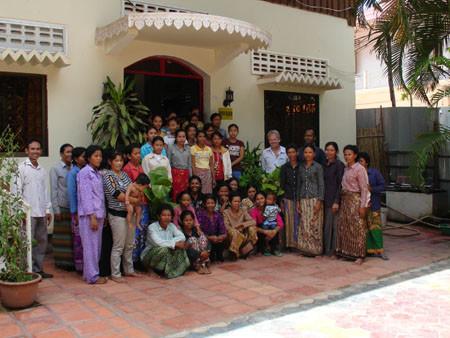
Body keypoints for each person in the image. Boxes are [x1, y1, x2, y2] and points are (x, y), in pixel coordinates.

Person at [13, 140, 53, 279]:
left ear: (40, 151)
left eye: (38, 149)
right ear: (26, 151)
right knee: (26, 243)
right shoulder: (21, 168)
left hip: (41, 212)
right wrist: (20, 212)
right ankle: (26, 271)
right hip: (27, 214)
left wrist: (48, 210)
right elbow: (16, 192)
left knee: (42, 242)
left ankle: (38, 270)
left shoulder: (42, 170)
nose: (35, 151)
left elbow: (45, 191)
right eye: (32, 149)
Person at [103, 151, 139, 283]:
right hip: (116, 214)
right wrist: (133, 200)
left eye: (120, 161)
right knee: (118, 245)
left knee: (129, 244)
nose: (119, 163)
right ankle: (116, 273)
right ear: (110, 162)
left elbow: (135, 190)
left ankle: (129, 270)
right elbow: (117, 195)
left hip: (130, 214)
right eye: (116, 160)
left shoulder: (124, 175)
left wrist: (131, 199)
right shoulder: (108, 176)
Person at [77, 145, 107, 284]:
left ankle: (89, 274)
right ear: (88, 158)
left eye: (100, 156)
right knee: (90, 247)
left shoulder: (97, 173)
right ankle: (92, 277)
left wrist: (103, 214)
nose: (99, 158)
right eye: (95, 156)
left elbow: (100, 196)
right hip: (90, 216)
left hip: (99, 214)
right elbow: (86, 196)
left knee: (96, 247)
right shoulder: (84, 173)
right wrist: (92, 216)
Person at [336, 145, 370, 265]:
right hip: (345, 201)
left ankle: (360, 254)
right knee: (345, 227)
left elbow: (364, 189)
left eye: (349, 154)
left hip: (355, 200)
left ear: (355, 155)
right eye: (345, 154)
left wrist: (363, 206)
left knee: (358, 227)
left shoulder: (360, 169)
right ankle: (348, 252)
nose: (347, 156)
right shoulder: (346, 169)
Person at [141, 204, 190, 279]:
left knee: (180, 247)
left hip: (166, 251)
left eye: (169, 215)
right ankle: (149, 269)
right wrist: (174, 243)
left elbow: (182, 237)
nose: (167, 217)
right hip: (149, 256)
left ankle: (172, 270)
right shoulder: (152, 227)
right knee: (164, 249)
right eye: (164, 215)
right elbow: (159, 243)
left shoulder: (171, 226)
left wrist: (175, 244)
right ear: (158, 216)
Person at [358, 152, 388, 260]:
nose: (359, 163)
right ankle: (368, 250)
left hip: (374, 205)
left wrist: (372, 189)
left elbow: (383, 186)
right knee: (364, 228)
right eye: (358, 161)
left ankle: (380, 250)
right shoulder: (356, 173)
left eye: (361, 161)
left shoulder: (374, 173)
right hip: (361, 205)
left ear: (366, 162)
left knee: (375, 229)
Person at [297, 145, 325, 256]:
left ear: (314, 154)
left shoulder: (318, 167)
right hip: (304, 198)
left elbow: (321, 184)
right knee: (305, 223)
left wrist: (320, 200)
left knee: (315, 223)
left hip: (315, 198)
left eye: (310, 152)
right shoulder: (301, 167)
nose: (308, 154)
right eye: (306, 152)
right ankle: (306, 249)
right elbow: (300, 184)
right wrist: (298, 201)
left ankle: (316, 249)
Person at [50, 143, 74, 270]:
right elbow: (53, 190)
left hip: (74, 208)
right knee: (61, 237)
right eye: (67, 152)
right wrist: (56, 210)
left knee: (72, 236)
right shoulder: (56, 169)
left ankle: (72, 262)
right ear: (61, 154)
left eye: (71, 152)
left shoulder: (75, 168)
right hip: (62, 207)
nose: (70, 154)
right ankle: (61, 262)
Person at [66, 146, 86, 273]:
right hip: (78, 212)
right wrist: (75, 212)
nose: (85, 159)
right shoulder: (73, 173)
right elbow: (72, 194)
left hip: (86, 211)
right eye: (83, 156)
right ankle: (80, 266)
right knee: (78, 240)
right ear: (76, 159)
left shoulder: (86, 171)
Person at [323, 142, 345, 257]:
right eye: (327, 150)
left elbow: (340, 184)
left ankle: (335, 250)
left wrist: (337, 201)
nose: (329, 152)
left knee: (334, 227)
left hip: (334, 200)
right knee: (327, 226)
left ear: (336, 152)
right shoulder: (324, 164)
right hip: (325, 199)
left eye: (331, 150)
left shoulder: (339, 165)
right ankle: (327, 250)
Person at [223, 193, 258, 260]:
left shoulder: (243, 210)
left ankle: (245, 251)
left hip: (243, 234)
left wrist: (242, 225)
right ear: (230, 202)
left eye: (239, 201)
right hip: (232, 236)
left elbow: (253, 222)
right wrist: (235, 229)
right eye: (235, 201)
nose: (237, 203)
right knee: (234, 232)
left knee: (252, 229)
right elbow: (226, 226)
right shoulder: (226, 212)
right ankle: (234, 252)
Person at [250, 192, 283, 256]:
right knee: (260, 227)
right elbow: (253, 225)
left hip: (271, 229)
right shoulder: (253, 211)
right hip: (261, 230)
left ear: (265, 199)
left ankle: (274, 249)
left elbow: (280, 222)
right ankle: (262, 249)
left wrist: (274, 231)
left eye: (262, 198)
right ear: (255, 201)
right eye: (257, 199)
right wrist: (265, 232)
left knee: (274, 225)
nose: (260, 201)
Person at [280, 145, 300, 250]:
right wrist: (282, 200)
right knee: (289, 221)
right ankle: (290, 244)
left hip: (300, 198)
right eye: (289, 152)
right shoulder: (284, 167)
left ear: (296, 153)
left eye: (293, 152)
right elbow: (282, 184)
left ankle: (299, 244)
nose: (291, 154)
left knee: (299, 221)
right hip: (288, 197)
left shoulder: (301, 166)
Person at [197, 195, 227, 262]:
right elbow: (199, 231)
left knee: (221, 243)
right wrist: (209, 237)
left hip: (217, 239)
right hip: (205, 239)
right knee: (211, 258)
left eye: (212, 203)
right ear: (205, 204)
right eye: (208, 203)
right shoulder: (200, 215)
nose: (211, 205)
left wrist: (220, 237)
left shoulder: (218, 215)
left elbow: (223, 229)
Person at [180, 210, 211, 274]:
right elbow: (186, 249)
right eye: (186, 220)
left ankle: (203, 264)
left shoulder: (195, 230)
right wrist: (200, 254)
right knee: (192, 239)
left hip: (202, 254)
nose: (189, 222)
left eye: (190, 220)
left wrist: (207, 251)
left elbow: (205, 240)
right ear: (182, 222)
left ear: (193, 221)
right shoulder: (181, 232)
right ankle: (199, 265)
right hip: (190, 257)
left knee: (202, 237)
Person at [168, 129, 191, 202]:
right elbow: (168, 163)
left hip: (185, 174)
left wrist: (190, 176)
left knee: (185, 194)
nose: (181, 138)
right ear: (176, 138)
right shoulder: (171, 147)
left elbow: (189, 164)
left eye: (183, 136)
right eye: (179, 136)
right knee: (175, 193)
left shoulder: (188, 148)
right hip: (175, 173)